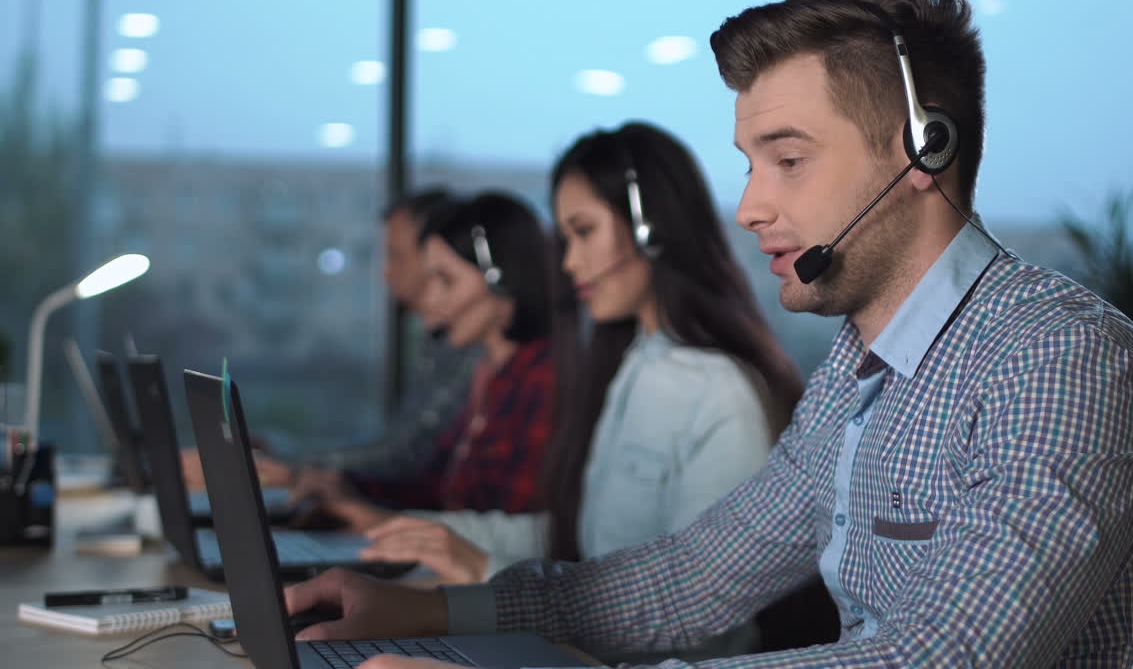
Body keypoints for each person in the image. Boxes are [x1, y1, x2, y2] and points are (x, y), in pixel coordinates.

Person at [283, 0, 1133, 667]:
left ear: (921, 152)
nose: (748, 209)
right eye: (748, 164)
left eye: (787, 160)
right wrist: (435, 612)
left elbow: (947, 657)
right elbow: (693, 578)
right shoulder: (862, 374)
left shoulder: (1061, 360)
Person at [352, 122, 805, 664]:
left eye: (583, 232)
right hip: (574, 644)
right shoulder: (633, 362)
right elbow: (581, 538)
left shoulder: (722, 394)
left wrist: (483, 577)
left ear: (648, 228)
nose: (568, 264)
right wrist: (422, 532)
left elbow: (702, 616)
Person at [179, 189, 475, 493]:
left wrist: (285, 468)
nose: (385, 272)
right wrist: (279, 455)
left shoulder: (471, 348)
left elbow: (404, 459)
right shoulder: (440, 343)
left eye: (397, 256)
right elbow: (397, 447)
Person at [312, 192, 557, 530]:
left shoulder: (544, 378)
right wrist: (349, 488)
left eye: (446, 280)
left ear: (501, 279)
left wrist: (388, 521)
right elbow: (436, 486)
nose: (430, 300)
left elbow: (515, 525)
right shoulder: (488, 372)